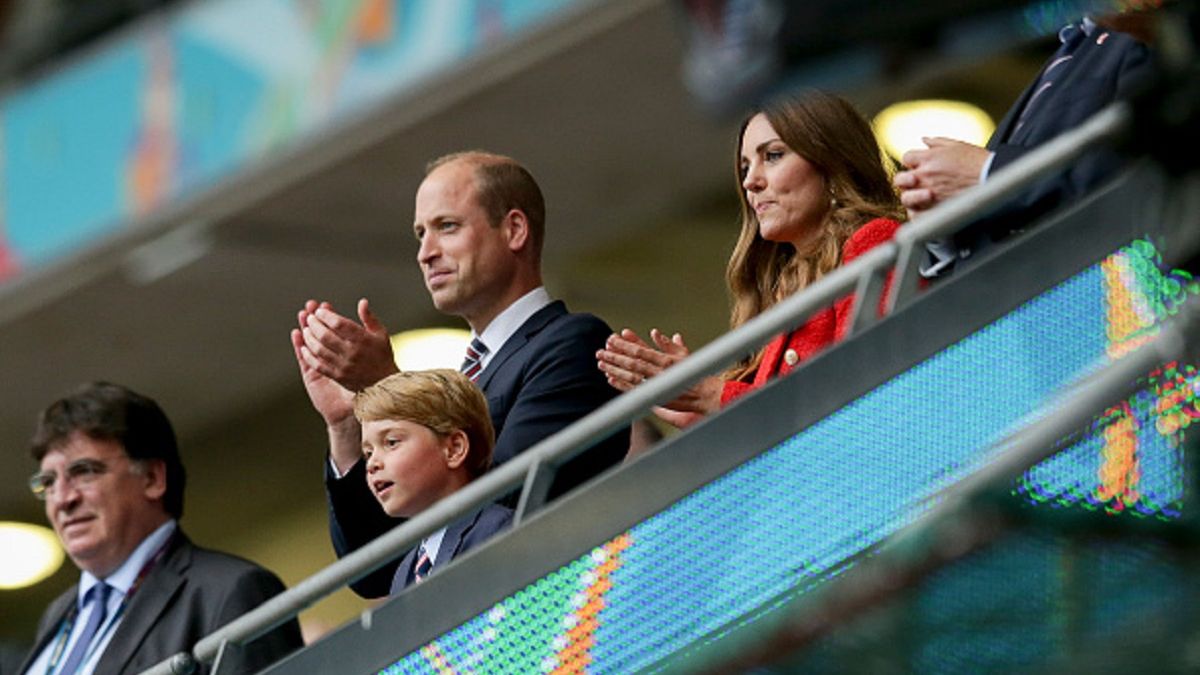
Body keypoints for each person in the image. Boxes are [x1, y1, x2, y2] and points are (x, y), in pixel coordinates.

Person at [291, 151, 627, 598]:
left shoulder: (572, 343)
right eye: (420, 234)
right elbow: (374, 570)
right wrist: (346, 425)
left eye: (446, 227)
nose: (425, 253)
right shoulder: (464, 374)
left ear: (514, 230)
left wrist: (388, 388)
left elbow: (506, 508)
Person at [596, 91, 906, 427]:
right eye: (745, 167)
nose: (750, 181)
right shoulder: (783, 288)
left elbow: (872, 392)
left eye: (772, 156)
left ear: (832, 163)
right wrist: (696, 413)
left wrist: (713, 395)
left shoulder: (872, 239)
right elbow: (785, 424)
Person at [19, 382, 302, 675]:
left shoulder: (231, 591)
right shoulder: (58, 615)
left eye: (84, 472)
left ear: (153, 478)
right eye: (48, 482)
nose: (63, 499)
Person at [894, 12, 1155, 277]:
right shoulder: (1072, 46)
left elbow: (1146, 169)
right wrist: (949, 226)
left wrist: (989, 174)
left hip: (1113, 286)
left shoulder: (1148, 32)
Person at [355, 369, 512, 593]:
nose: (372, 464)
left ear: (454, 448)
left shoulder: (499, 532)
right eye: (368, 453)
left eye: (391, 442)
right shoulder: (404, 573)